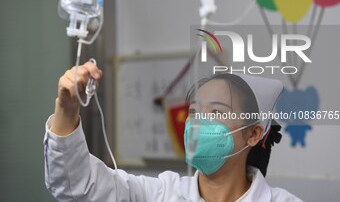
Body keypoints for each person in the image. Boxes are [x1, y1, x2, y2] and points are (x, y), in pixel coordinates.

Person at [44, 61, 303, 201]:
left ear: (254, 134)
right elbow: (77, 187)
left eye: (216, 113)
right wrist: (67, 108)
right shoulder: (160, 194)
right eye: (193, 111)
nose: (199, 123)